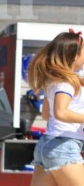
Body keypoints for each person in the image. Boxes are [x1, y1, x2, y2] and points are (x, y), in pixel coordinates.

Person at [28, 31, 84, 186]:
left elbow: (47, 114)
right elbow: (60, 112)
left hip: (46, 147)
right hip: (63, 147)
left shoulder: (53, 80)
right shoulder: (66, 83)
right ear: (74, 55)